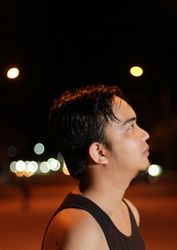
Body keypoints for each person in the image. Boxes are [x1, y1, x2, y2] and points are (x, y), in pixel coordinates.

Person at [41, 84, 150, 250]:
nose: (145, 134)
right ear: (99, 152)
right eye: (130, 127)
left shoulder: (129, 211)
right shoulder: (84, 231)